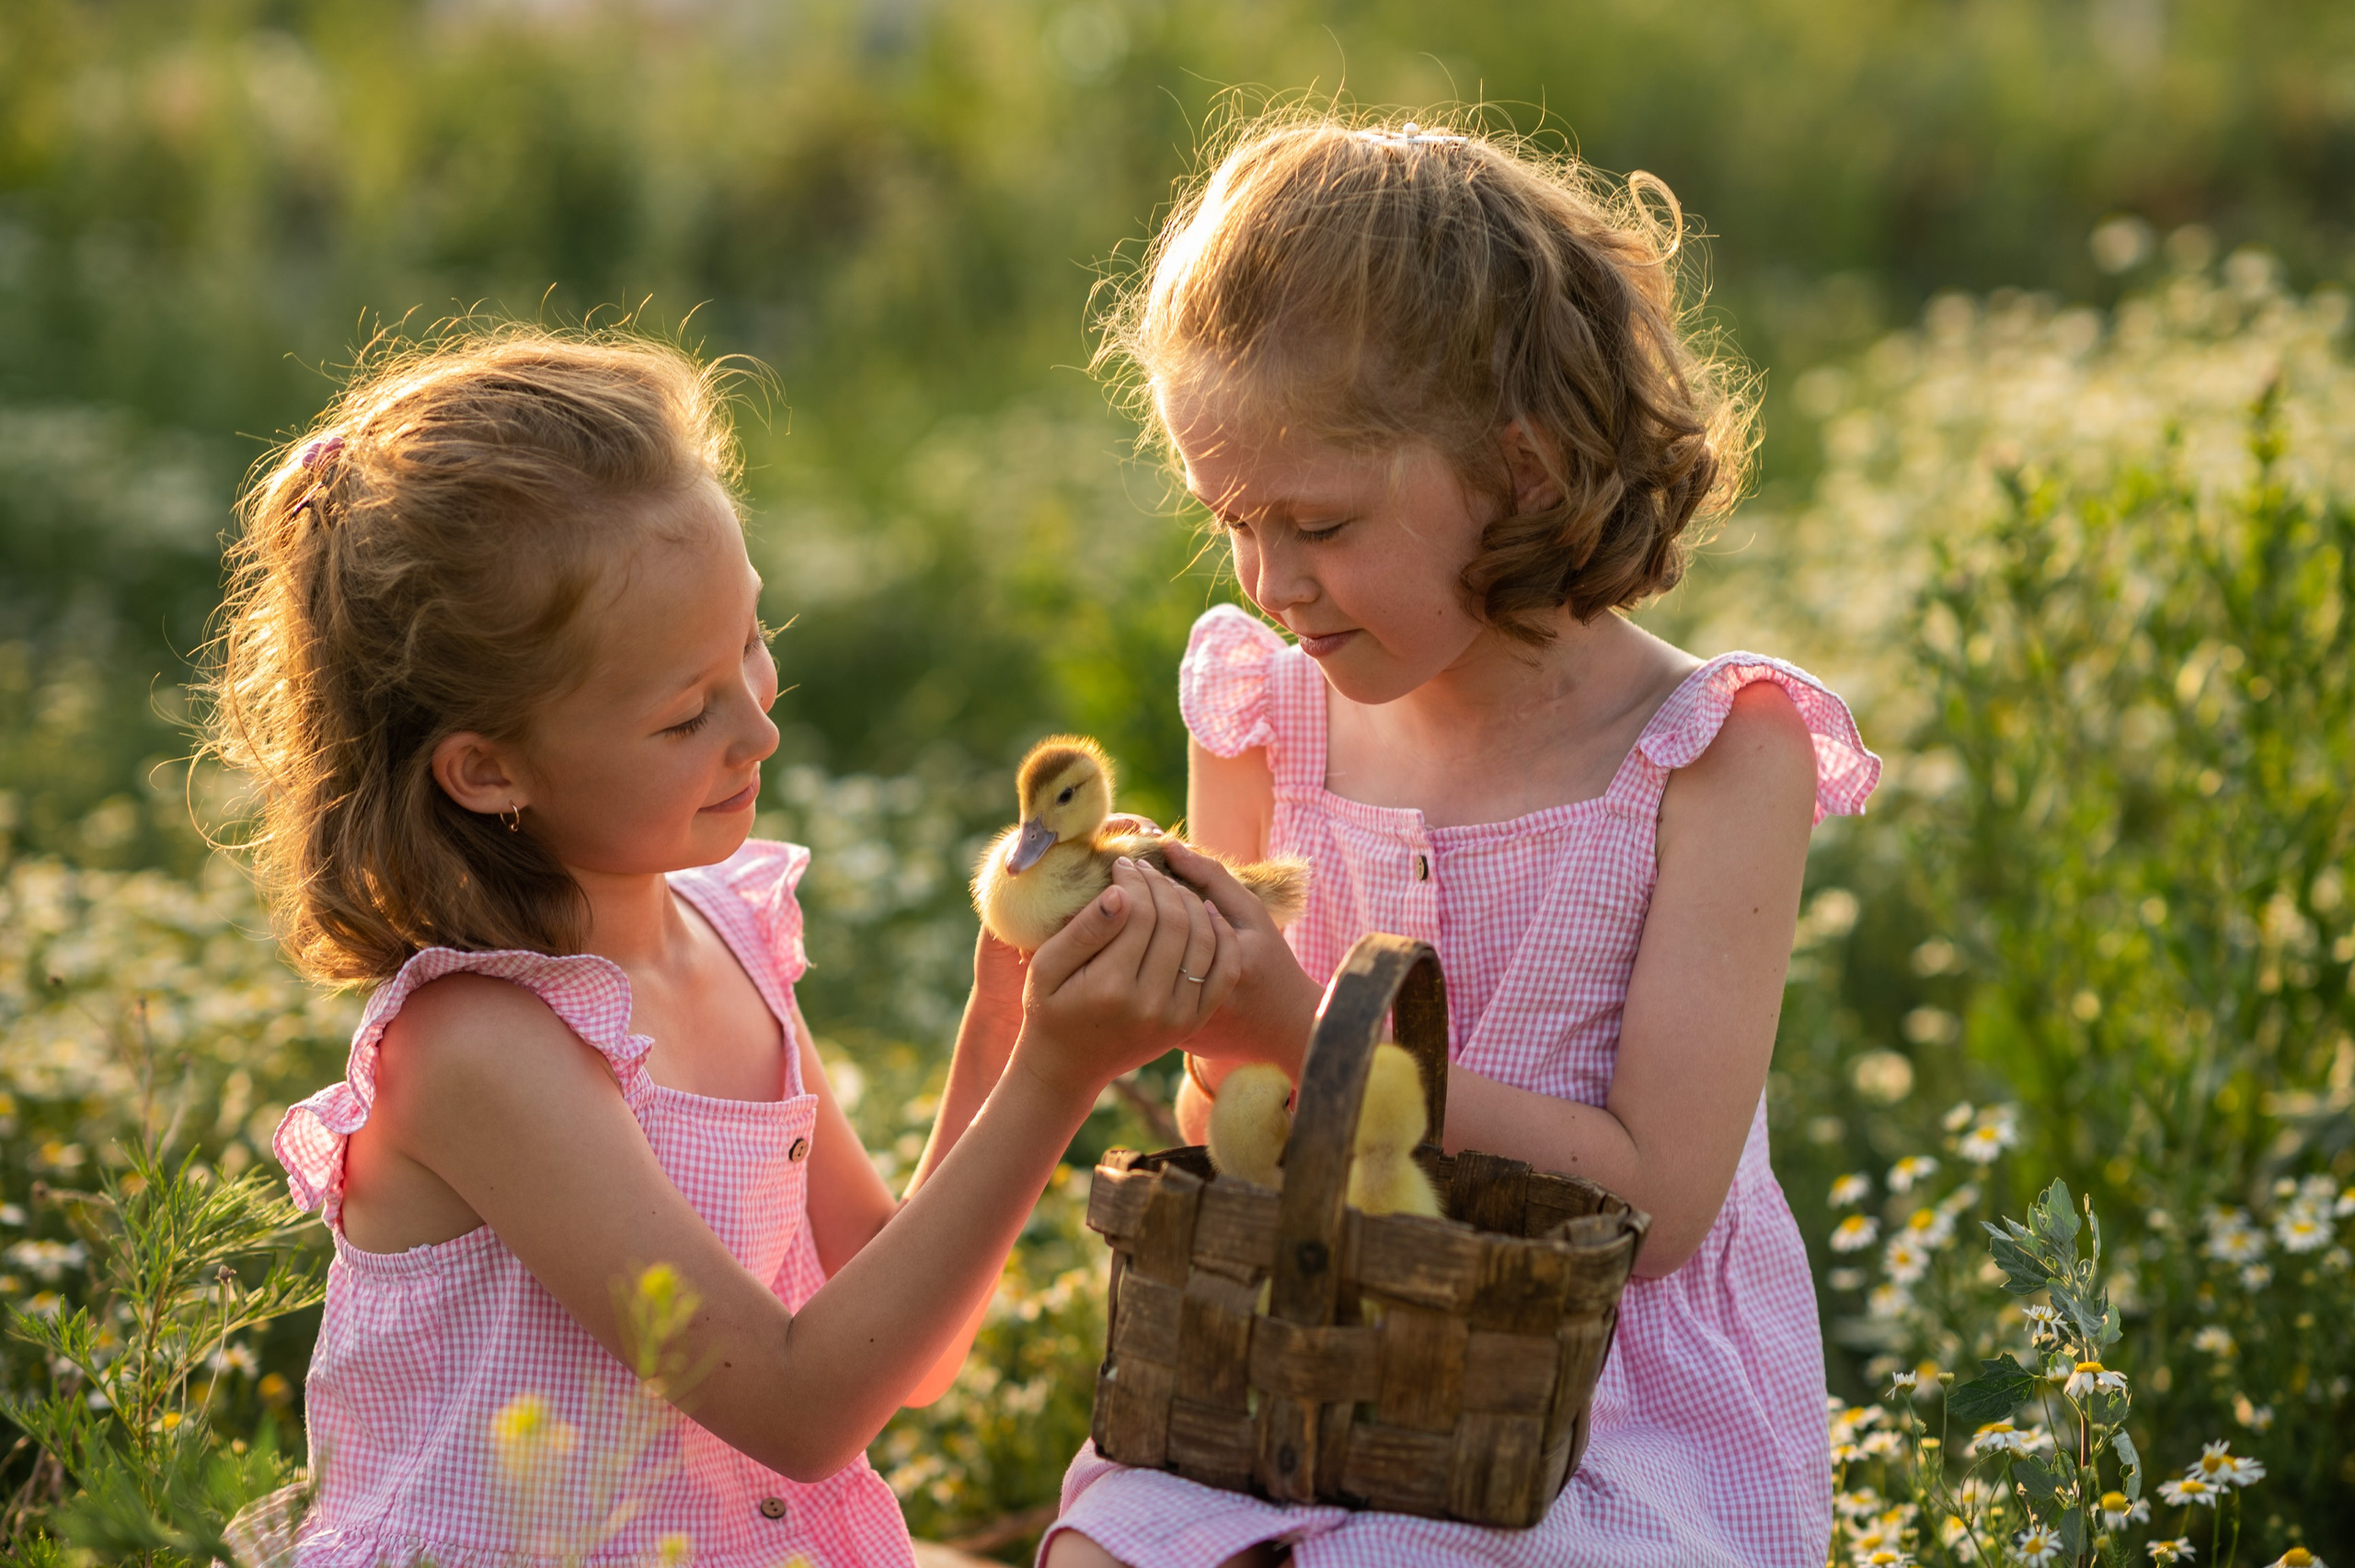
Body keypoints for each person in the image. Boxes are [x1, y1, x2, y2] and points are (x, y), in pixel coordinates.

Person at [209, 327, 1241, 1568]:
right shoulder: (479, 1046)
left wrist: (1007, 1013)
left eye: (751, 644)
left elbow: (897, 1346)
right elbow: (801, 1408)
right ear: (488, 769)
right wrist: (1057, 1077)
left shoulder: (728, 928)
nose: (757, 725)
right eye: (685, 711)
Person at [1045, 114, 1881, 1568]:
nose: (1270, 578)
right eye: (1230, 520)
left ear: (1525, 470)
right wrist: (1182, 989)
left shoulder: (1712, 751)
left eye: (1315, 520)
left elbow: (1656, 1200)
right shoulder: (1260, 708)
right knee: (1106, 1546)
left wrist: (1297, 1022)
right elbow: (1225, 1124)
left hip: (1596, 1400)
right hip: (1315, 1336)